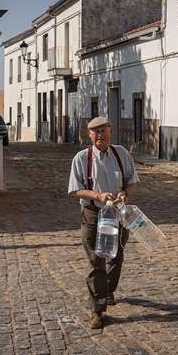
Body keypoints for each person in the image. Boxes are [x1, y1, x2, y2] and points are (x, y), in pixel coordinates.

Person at [68, 116, 139, 329]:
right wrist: (97, 195)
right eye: (95, 131)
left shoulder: (122, 154)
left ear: (110, 131)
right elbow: (75, 190)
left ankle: (108, 290)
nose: (100, 135)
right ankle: (96, 310)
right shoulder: (81, 158)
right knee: (96, 261)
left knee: (116, 255)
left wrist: (124, 193)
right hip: (92, 213)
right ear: (89, 135)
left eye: (103, 130)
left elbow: (133, 183)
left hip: (117, 212)